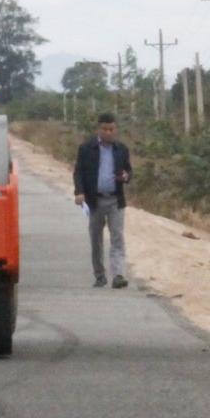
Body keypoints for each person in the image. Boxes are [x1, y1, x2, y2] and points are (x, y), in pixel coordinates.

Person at [73, 112, 133, 288]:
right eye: (104, 129)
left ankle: (118, 275)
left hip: (116, 200)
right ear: (98, 129)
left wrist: (126, 176)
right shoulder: (86, 148)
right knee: (96, 238)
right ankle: (100, 274)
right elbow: (78, 172)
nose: (108, 132)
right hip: (95, 200)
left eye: (111, 129)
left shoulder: (122, 149)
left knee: (117, 237)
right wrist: (79, 192)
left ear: (116, 129)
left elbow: (129, 172)